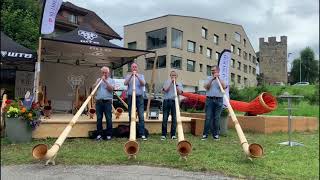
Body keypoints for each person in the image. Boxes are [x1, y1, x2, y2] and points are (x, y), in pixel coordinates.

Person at [201, 65, 226, 140]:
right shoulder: (208, 78)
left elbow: (224, 87)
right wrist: (212, 79)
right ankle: (205, 134)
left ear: (218, 71)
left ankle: (216, 135)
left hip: (219, 100)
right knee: (208, 117)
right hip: (209, 99)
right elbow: (206, 87)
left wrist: (218, 79)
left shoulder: (222, 78)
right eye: (212, 70)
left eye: (214, 70)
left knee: (217, 118)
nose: (212, 71)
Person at [124, 63, 147, 140]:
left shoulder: (141, 76)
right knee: (131, 115)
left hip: (139, 97)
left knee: (141, 115)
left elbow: (143, 84)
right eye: (133, 67)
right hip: (130, 97)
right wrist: (131, 76)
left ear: (137, 68)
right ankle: (131, 133)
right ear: (131, 68)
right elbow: (125, 83)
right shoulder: (128, 76)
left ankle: (142, 134)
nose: (134, 68)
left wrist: (136, 76)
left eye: (135, 67)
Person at [93, 66, 115, 141]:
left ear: (108, 73)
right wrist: (98, 82)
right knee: (99, 118)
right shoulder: (98, 80)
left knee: (108, 118)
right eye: (103, 72)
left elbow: (111, 89)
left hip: (107, 102)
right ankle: (99, 135)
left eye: (106, 72)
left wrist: (105, 81)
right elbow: (94, 88)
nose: (104, 74)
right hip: (99, 102)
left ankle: (109, 135)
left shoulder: (111, 80)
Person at [161, 70, 183, 140]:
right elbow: (166, 90)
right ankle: (163, 134)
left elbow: (179, 92)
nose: (173, 76)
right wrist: (171, 82)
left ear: (177, 76)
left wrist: (175, 84)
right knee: (165, 118)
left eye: (174, 75)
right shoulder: (166, 82)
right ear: (170, 76)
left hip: (175, 102)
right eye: (172, 75)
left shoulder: (179, 83)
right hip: (166, 101)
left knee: (174, 118)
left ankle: (173, 134)